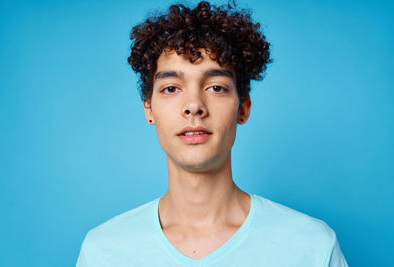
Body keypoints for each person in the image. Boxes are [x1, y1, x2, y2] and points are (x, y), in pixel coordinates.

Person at [76, 1, 348, 266]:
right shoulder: (103, 251)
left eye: (216, 87)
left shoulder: (311, 246)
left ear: (243, 108)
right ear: (149, 109)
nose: (194, 105)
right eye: (171, 88)